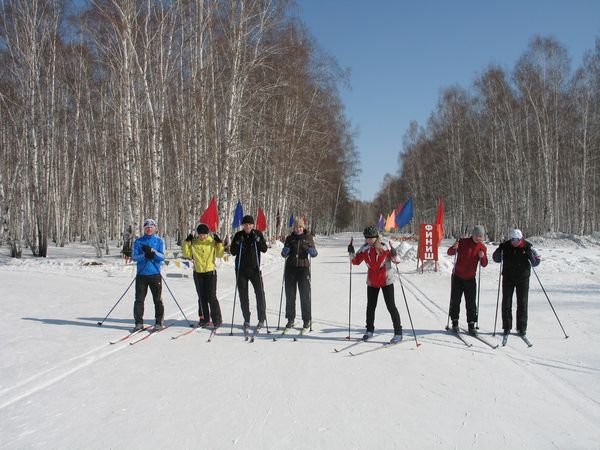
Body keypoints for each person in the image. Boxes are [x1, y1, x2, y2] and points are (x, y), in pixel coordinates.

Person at [348, 226, 403, 344]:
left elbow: (397, 261)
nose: (369, 240)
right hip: (372, 281)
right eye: (367, 238)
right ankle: (369, 330)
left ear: (376, 237)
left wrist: (394, 253)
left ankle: (398, 333)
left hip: (386, 280)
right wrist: (351, 252)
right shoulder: (364, 248)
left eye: (371, 238)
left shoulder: (384, 246)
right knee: (371, 307)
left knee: (391, 306)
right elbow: (355, 262)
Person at [492, 228, 541, 336]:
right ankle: (507, 326)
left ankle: (521, 327)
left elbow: (536, 262)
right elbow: (496, 259)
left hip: (523, 278)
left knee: (522, 303)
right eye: (512, 240)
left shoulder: (527, 246)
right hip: (508, 277)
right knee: (506, 302)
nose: (514, 242)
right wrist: (499, 250)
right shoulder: (506, 246)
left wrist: (530, 255)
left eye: (517, 240)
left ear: (521, 239)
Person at [447, 225, 488, 335]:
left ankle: (471, 324)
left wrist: (482, 256)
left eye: (480, 236)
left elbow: (484, 264)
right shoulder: (463, 242)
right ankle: (454, 322)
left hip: (470, 278)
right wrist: (454, 247)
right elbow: (450, 253)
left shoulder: (482, 247)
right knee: (455, 300)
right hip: (457, 277)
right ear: (472, 234)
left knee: (471, 302)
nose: (478, 238)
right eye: (476, 235)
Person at [230, 215, 268, 330]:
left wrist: (258, 240)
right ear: (243, 225)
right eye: (245, 224)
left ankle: (261, 319)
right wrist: (237, 243)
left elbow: (264, 249)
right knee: (243, 295)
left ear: (253, 225)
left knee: (260, 294)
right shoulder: (238, 235)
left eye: (250, 224)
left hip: (255, 270)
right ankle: (246, 319)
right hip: (241, 270)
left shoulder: (257, 234)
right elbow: (232, 252)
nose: (247, 226)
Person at [182, 223, 224, 328]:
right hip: (198, 273)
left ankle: (217, 319)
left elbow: (220, 254)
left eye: (204, 234)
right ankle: (204, 318)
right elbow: (186, 254)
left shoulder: (212, 242)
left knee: (212, 296)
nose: (202, 236)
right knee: (202, 297)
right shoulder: (194, 243)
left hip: (210, 272)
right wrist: (187, 242)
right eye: (200, 235)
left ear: (207, 234)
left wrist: (219, 243)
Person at [281, 218, 318, 331]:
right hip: (290, 269)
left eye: (300, 227)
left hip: (303, 269)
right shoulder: (289, 238)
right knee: (290, 295)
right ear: (294, 228)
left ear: (303, 228)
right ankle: (290, 319)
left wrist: (311, 250)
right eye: (297, 227)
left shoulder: (308, 238)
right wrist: (285, 250)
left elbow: (315, 253)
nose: (298, 229)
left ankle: (306, 320)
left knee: (305, 295)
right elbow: (283, 254)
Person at [131, 219, 165, 331]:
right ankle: (139, 322)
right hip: (142, 275)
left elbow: (162, 257)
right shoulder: (138, 241)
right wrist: (144, 255)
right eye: (147, 227)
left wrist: (153, 252)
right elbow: (134, 257)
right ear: (144, 229)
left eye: (151, 227)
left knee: (157, 300)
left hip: (155, 274)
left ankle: (159, 322)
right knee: (139, 300)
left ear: (155, 228)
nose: (149, 229)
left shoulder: (159, 241)